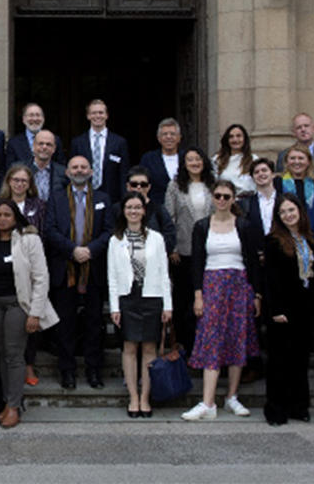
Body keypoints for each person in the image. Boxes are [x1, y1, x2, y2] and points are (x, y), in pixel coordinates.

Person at [181, 180, 261, 421]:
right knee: (211, 338)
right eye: (218, 196)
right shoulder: (202, 226)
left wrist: (256, 294)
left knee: (238, 337)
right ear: (212, 198)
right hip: (212, 284)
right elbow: (196, 262)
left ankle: (231, 397)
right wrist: (198, 294)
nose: (222, 200)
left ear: (234, 198)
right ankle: (208, 402)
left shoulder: (244, 226)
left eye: (227, 196)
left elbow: (253, 263)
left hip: (238, 284)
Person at [0, 197, 56, 428]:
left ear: (15, 217)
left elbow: (41, 278)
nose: (2, 219)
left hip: (17, 305)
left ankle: (14, 405)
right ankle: (6, 402)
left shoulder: (29, 240)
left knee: (14, 354)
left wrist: (35, 313)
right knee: (2, 353)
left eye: (7, 215)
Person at [41, 156, 113, 389]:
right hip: (65, 267)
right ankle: (67, 371)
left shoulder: (103, 199)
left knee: (94, 323)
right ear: (67, 172)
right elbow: (49, 230)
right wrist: (73, 250)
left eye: (83, 167)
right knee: (65, 324)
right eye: (74, 167)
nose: (79, 170)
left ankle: (94, 370)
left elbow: (110, 231)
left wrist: (90, 250)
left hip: (94, 268)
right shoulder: (57, 198)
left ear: (91, 171)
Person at [261, 194, 314, 426]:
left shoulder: (308, 239)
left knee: (300, 360)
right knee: (280, 360)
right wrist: (275, 309)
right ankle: (276, 409)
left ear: (300, 211)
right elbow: (270, 279)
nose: (288, 215)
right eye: (283, 212)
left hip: (304, 307)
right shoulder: (273, 242)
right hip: (282, 307)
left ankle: (299, 406)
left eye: (292, 210)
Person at [107, 193, 172, 418]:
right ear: (123, 211)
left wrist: (168, 305)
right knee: (129, 347)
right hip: (128, 297)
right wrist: (114, 307)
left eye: (137, 207)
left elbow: (164, 273)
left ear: (144, 211)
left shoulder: (156, 238)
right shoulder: (115, 240)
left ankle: (146, 397)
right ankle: (133, 397)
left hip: (152, 297)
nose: (133, 211)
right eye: (129, 207)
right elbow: (112, 277)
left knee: (149, 349)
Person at [166, 147, 215, 355]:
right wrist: (173, 248)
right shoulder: (175, 186)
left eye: (198, 159)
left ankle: (204, 344)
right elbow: (170, 218)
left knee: (206, 300)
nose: (194, 163)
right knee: (184, 300)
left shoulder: (213, 185)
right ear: (184, 164)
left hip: (209, 250)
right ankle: (185, 343)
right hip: (183, 251)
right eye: (189, 160)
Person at [70, 99, 130, 203]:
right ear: (88, 116)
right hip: (83, 196)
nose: (97, 116)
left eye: (101, 113)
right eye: (93, 113)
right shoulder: (78, 142)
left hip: (112, 198)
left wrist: (124, 199)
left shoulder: (119, 142)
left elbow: (123, 173)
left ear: (107, 115)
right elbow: (71, 171)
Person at [276, 113, 314, 188]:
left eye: (306, 126)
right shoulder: (283, 155)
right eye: (299, 127)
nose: (303, 129)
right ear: (293, 132)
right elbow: (279, 182)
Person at [276, 143, 314, 230]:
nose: (296, 162)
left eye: (301, 158)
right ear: (287, 161)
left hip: (312, 232)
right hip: (286, 233)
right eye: (292, 158)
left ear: (308, 161)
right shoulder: (278, 182)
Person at [137, 118, 182, 206]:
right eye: (165, 134)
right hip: (156, 209)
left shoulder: (187, 157)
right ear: (159, 138)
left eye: (172, 134)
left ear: (179, 138)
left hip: (183, 211)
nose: (169, 137)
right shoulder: (148, 159)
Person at [240, 158, 281, 238]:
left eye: (264, 170)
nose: (261, 174)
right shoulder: (246, 204)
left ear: (273, 174)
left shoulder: (285, 199)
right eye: (256, 172)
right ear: (253, 178)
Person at [213, 124, 258, 195]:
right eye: (231, 137)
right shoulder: (217, 159)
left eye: (238, 136)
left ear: (244, 139)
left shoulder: (253, 159)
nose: (235, 139)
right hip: (225, 201)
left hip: (247, 200)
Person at [25, 129, 67, 205]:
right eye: (41, 144)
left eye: (49, 144)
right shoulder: (21, 170)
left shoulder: (63, 172)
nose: (44, 147)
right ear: (33, 146)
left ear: (54, 149)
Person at [0, 164, 45, 229]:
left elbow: (43, 230)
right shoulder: (0, 205)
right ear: (9, 181)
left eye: (24, 180)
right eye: (16, 180)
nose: (20, 184)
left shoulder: (39, 204)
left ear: (29, 183)